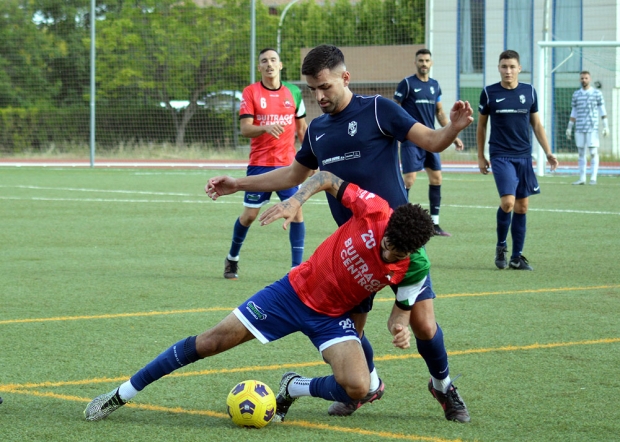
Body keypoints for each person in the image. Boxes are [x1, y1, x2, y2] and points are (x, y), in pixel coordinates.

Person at [207, 44, 473, 423]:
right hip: (354, 253)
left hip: (398, 245)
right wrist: (238, 183)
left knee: (423, 323)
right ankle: (360, 388)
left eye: (325, 87)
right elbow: (291, 176)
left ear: (345, 78)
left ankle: (443, 386)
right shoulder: (317, 129)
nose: (319, 97)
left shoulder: (378, 111)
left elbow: (430, 141)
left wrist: (453, 128)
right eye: (313, 89)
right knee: (352, 332)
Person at [84, 171, 435, 423]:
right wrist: (295, 200)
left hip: (332, 318)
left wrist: (400, 326)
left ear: (413, 251)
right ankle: (120, 395)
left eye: (397, 253)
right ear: (387, 227)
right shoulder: (375, 210)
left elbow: (400, 312)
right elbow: (326, 177)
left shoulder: (415, 266)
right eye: (387, 245)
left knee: (358, 388)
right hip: (292, 293)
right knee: (210, 341)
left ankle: (294, 387)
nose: (388, 255)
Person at [223, 48, 308, 280]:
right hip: (260, 165)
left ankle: (296, 269)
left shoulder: (294, 93)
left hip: (288, 167)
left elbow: (302, 129)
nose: (269, 64)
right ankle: (232, 258)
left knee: (296, 214)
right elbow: (245, 129)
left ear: (280, 65)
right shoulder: (251, 92)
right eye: (264, 61)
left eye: (273, 60)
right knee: (249, 216)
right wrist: (265, 127)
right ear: (259, 67)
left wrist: (312, 156)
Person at [476, 50, 559, 272]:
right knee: (508, 203)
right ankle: (501, 245)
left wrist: (548, 152)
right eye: (504, 66)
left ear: (519, 68)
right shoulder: (489, 92)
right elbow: (481, 125)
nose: (508, 71)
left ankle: (516, 257)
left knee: (522, 208)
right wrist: (481, 155)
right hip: (500, 154)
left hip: (524, 156)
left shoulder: (530, 92)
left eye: (512, 66)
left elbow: (537, 125)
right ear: (499, 68)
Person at [393, 48, 464, 237]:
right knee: (409, 180)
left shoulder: (435, 86)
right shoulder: (407, 84)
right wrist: (396, 134)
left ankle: (435, 224)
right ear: (415, 62)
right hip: (411, 139)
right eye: (421, 61)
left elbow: (440, 113)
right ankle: (399, 223)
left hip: (431, 139)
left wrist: (453, 134)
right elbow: (394, 109)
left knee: (437, 178)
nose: (424, 64)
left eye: (427, 61)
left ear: (431, 63)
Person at [565, 71, 609, 185]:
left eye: (586, 78)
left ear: (589, 79)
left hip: (592, 127)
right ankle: (582, 178)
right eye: (582, 78)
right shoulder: (576, 94)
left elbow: (602, 110)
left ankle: (593, 178)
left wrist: (606, 126)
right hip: (579, 127)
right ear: (580, 80)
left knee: (593, 152)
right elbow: (574, 111)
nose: (584, 80)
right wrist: (569, 127)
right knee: (581, 152)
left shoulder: (596, 93)